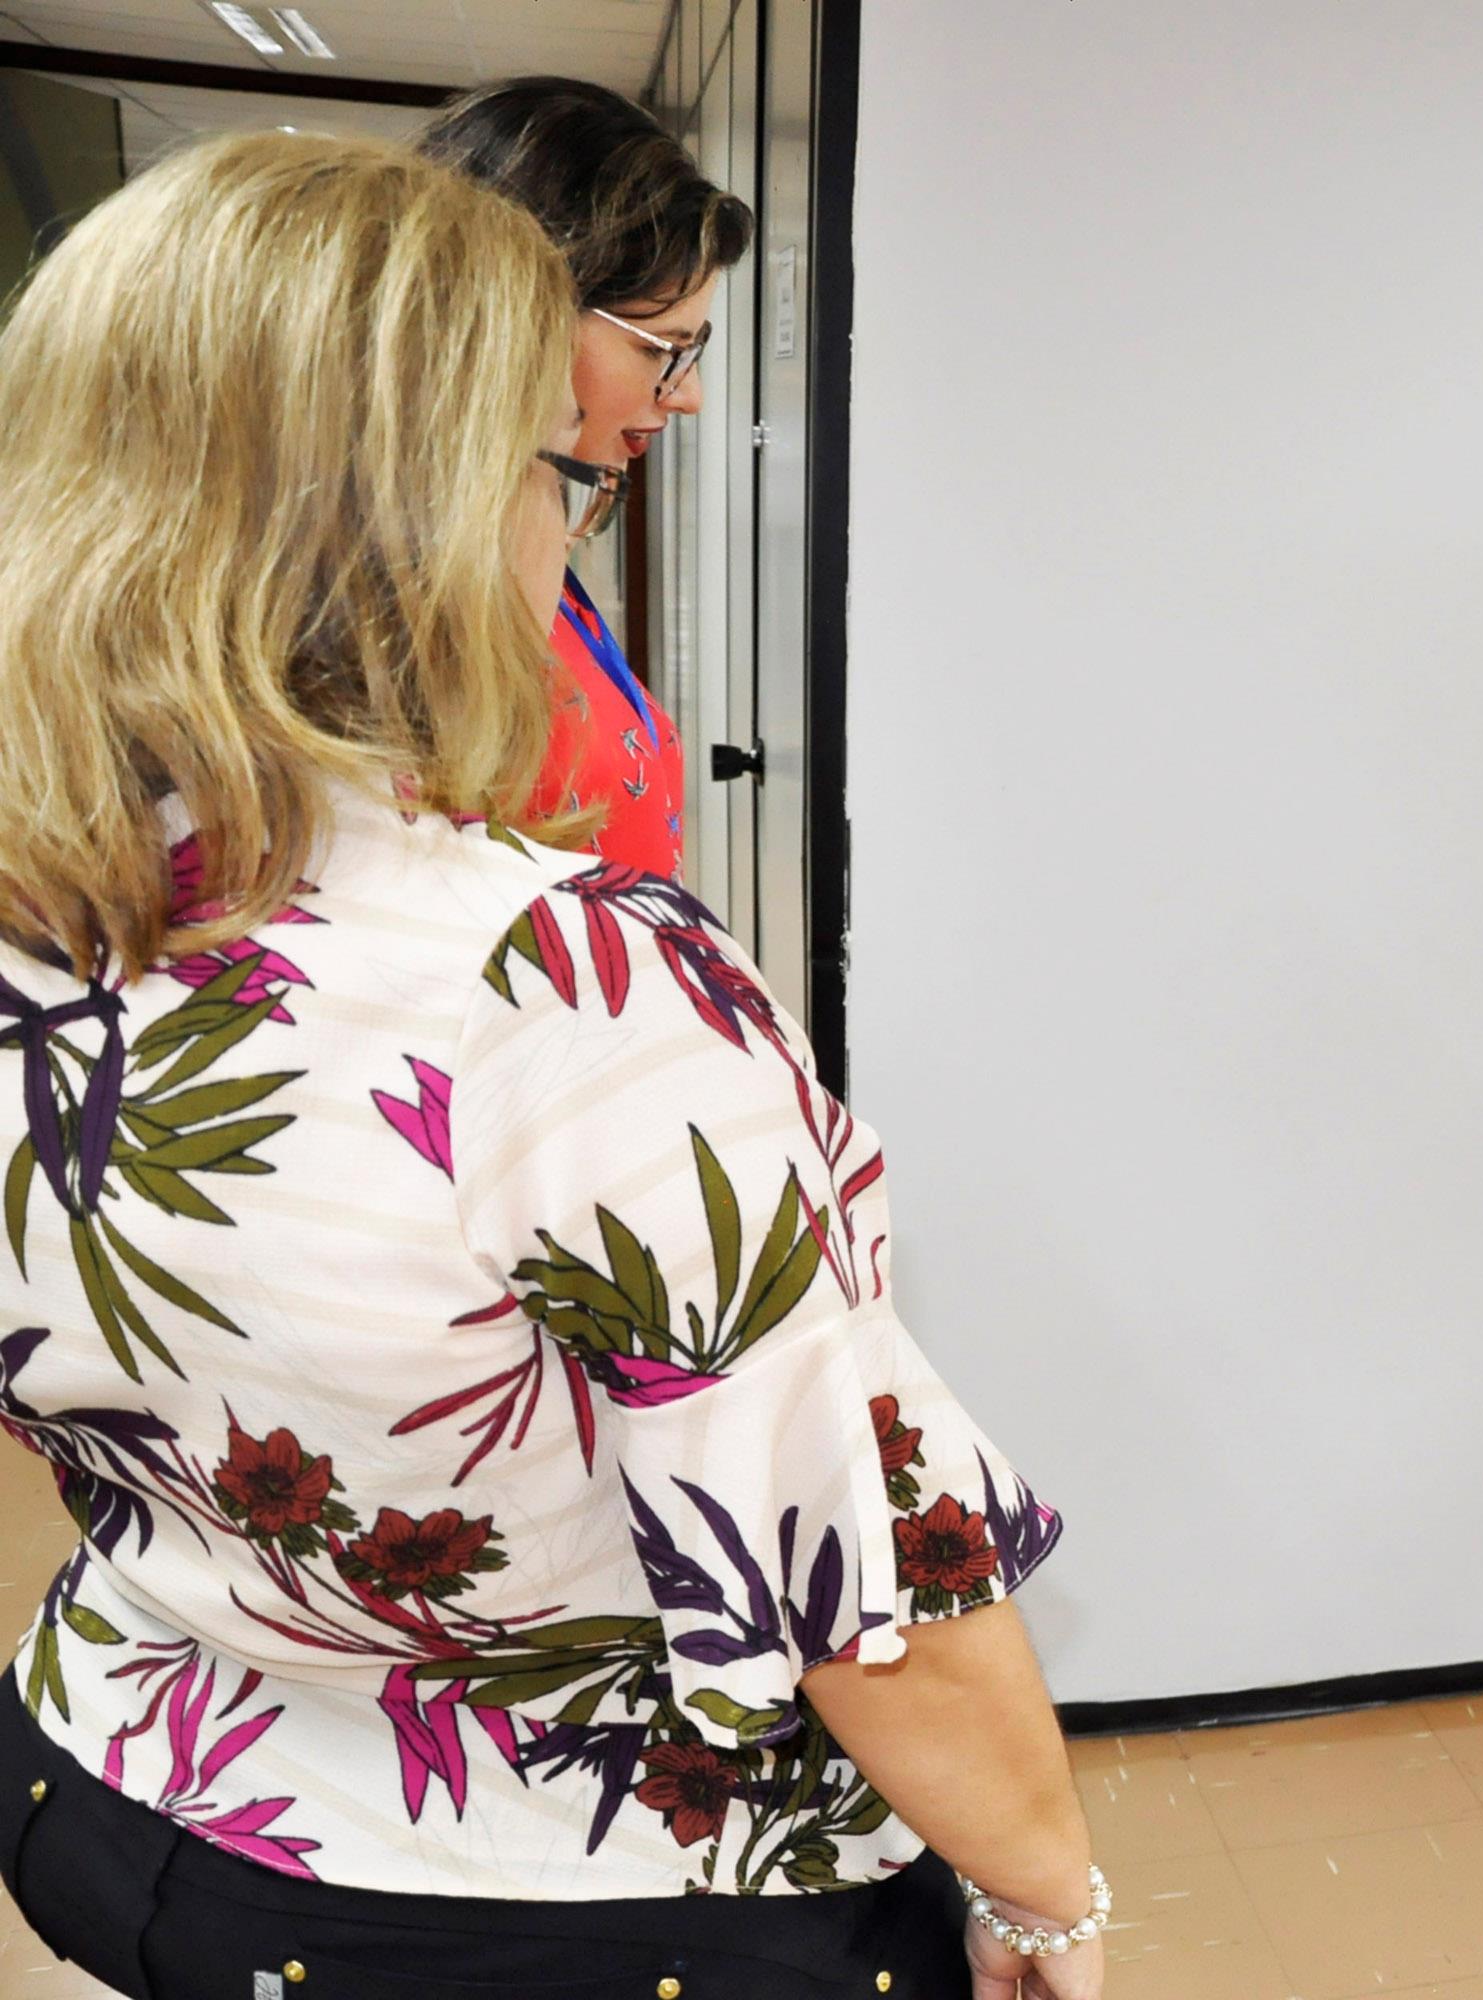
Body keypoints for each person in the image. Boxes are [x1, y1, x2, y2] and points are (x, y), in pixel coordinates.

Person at [0, 135, 1099, 2000]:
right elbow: (860, 1587)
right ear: (431, 505)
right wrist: (1043, 1893)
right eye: (559, 470)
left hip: (113, 1782)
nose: (575, 510)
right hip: (556, 1901)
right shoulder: (553, 986)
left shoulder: (52, 904)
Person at [414, 77, 755, 882]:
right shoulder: (404, 591)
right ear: (514, 312)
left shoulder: (531, 530)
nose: (689, 396)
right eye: (657, 350)